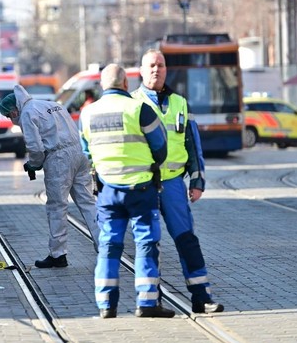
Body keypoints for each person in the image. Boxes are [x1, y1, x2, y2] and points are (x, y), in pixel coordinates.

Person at [132, 49, 224, 314]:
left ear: (166, 70)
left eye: (160, 65)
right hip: (144, 184)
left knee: (186, 239)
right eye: (150, 65)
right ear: (140, 70)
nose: (155, 70)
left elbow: (193, 146)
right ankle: (149, 301)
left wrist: (197, 181)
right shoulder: (132, 103)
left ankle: (201, 297)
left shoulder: (180, 103)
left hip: (173, 183)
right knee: (148, 242)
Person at [80, 63, 174, 319]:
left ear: (102, 85)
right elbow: (161, 146)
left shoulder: (87, 114)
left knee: (109, 245)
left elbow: (86, 151)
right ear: (125, 84)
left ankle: (106, 305)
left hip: (108, 190)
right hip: (141, 189)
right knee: (145, 243)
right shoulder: (139, 109)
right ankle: (146, 303)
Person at [0, 84, 100, 268]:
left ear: (14, 111)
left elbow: (35, 148)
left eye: (8, 115)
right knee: (88, 203)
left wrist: (33, 164)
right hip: (78, 154)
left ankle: (58, 254)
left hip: (59, 159)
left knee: (57, 207)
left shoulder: (28, 113)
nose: (10, 118)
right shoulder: (52, 104)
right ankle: (105, 246)